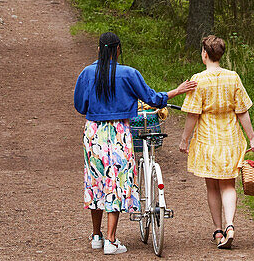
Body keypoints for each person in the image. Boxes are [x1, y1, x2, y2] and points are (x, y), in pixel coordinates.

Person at [74, 31, 197, 255]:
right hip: (119, 131)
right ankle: (111, 240)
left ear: (99, 50)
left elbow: (80, 106)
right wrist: (177, 91)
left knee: (96, 180)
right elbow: (151, 98)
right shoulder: (129, 74)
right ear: (118, 50)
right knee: (117, 181)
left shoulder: (86, 74)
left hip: (94, 132)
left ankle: (96, 236)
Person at [179, 35, 254, 250]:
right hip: (231, 139)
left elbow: (192, 115)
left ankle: (217, 230)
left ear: (205, 54)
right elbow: (242, 111)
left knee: (212, 186)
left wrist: (185, 140)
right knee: (228, 184)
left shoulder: (198, 80)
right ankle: (230, 225)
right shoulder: (233, 77)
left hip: (208, 140)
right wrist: (252, 138)